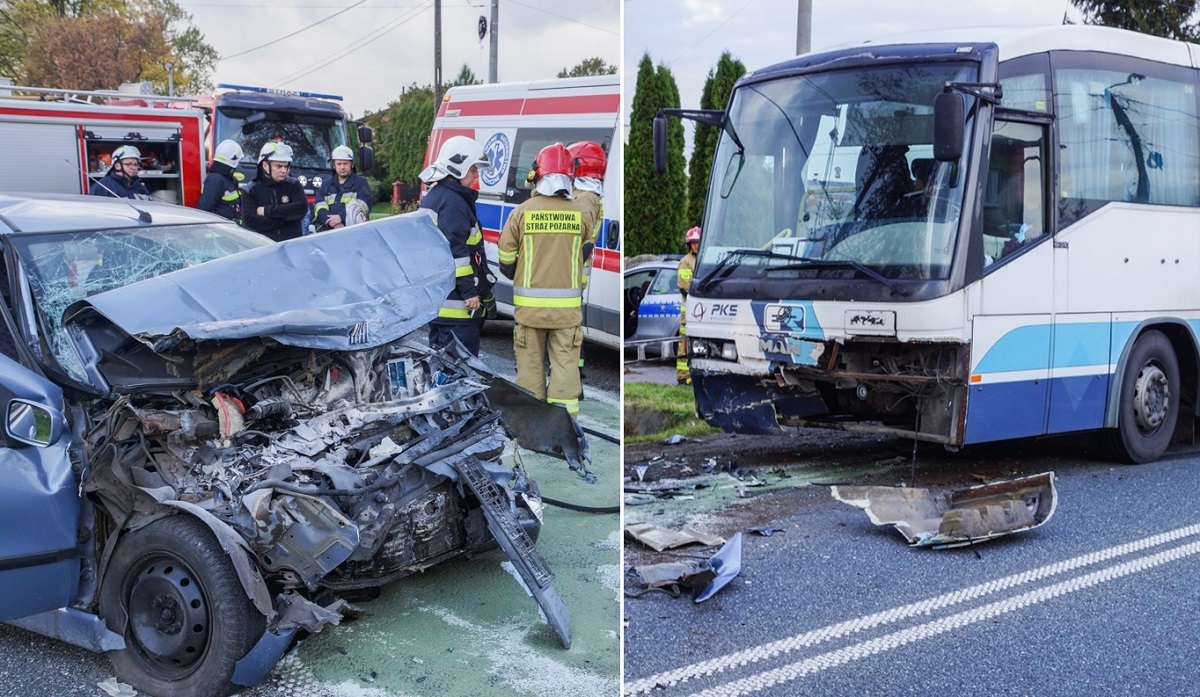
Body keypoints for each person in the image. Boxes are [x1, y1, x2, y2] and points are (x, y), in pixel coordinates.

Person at [498, 143, 596, 417]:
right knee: (565, 372)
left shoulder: (522, 212)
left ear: (539, 173)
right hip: (567, 315)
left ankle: (532, 428)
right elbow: (585, 259)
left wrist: (523, 269)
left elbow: (505, 259)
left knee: (529, 372)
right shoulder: (581, 214)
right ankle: (563, 429)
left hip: (530, 314)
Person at [418, 135, 493, 356]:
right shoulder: (453, 202)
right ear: (458, 168)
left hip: (439, 302)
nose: (476, 175)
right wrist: (470, 292)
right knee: (460, 369)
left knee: (439, 366)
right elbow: (456, 253)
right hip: (457, 307)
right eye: (472, 169)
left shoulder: (436, 196)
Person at [566, 140, 607, 392]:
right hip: (574, 274)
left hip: (572, 275)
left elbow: (580, 239)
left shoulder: (586, 198)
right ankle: (574, 368)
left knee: (570, 326)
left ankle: (574, 371)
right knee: (572, 324)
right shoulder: (585, 194)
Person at [242, 141, 308, 241]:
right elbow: (250, 221)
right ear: (265, 165)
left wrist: (267, 211)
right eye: (278, 166)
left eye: (286, 166)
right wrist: (288, 219)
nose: (284, 171)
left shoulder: (294, 185)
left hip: (291, 246)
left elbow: (301, 209)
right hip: (263, 247)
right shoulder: (250, 189)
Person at [314, 145, 373, 232]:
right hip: (328, 231)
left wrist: (341, 217)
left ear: (352, 164)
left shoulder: (360, 183)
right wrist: (333, 222)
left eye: (345, 163)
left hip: (354, 232)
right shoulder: (325, 185)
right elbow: (319, 208)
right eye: (339, 164)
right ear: (334, 165)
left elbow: (364, 205)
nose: (342, 167)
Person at [196, 140, 245, 222]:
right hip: (219, 232)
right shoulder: (215, 180)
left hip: (229, 229)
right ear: (233, 160)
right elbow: (204, 209)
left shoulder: (226, 178)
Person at [676, 226, 701, 384]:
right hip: (689, 308)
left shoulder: (704, 260)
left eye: (698, 242)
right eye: (693, 243)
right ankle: (683, 375)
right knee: (685, 341)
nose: (696, 245)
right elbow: (685, 287)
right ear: (689, 244)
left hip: (701, 308)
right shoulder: (686, 262)